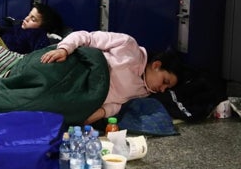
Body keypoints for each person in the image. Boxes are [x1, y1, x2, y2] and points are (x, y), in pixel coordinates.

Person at [40, 31, 183, 124]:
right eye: (165, 81)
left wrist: (101, 113)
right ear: (156, 65)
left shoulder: (144, 92)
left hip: (80, 99)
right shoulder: (128, 46)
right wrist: (64, 49)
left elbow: (118, 104)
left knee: (39, 114)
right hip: (72, 73)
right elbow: (86, 37)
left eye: (167, 88)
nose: (163, 89)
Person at [0, 3, 64, 54]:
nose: (27, 19)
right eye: (29, 15)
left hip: (5, 53)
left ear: (42, 27)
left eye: (33, 19)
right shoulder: (21, 27)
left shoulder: (37, 34)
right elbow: (7, 31)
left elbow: (38, 52)